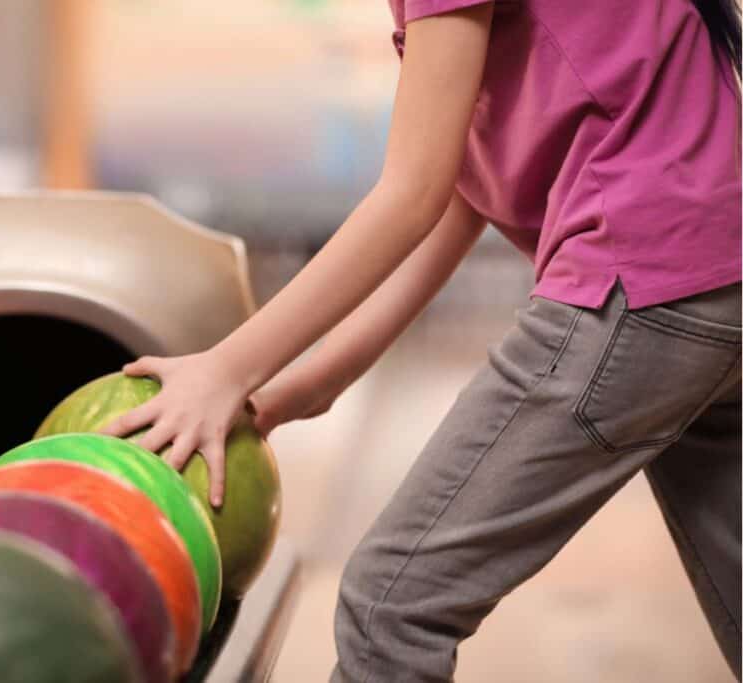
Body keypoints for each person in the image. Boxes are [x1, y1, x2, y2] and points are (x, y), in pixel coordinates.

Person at [100, 0, 742, 680]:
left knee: (390, 606)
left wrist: (225, 368)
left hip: (642, 280)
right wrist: (320, 379)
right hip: (717, 277)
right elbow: (460, 193)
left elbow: (413, 194)